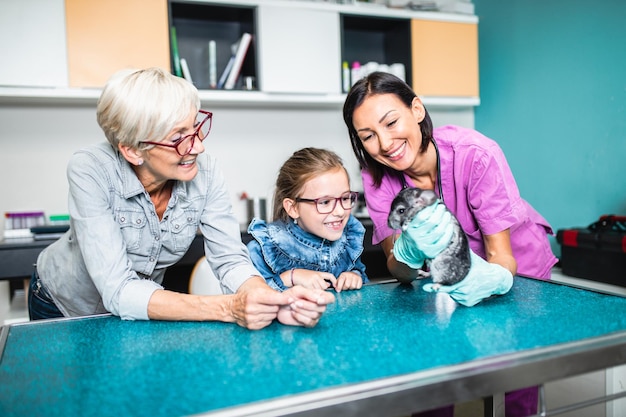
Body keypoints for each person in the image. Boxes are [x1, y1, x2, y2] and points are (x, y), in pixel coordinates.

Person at [28, 67, 335, 329]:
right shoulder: (90, 169)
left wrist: (267, 298)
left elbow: (229, 257)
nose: (198, 147)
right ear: (132, 150)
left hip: (140, 304)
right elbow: (118, 289)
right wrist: (230, 307)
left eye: (196, 128)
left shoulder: (205, 169)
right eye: (178, 138)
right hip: (64, 306)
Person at [342, 72, 558, 416]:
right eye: (368, 135)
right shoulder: (377, 175)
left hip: (517, 267)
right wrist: (408, 250)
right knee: (433, 375)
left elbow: (501, 256)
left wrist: (493, 279)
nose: (384, 143)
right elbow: (399, 270)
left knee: (513, 379)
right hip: (444, 278)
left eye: (391, 122)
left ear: (416, 109)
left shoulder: (476, 154)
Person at [247, 147, 368, 293]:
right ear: (293, 208)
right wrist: (290, 278)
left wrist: (354, 276)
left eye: (345, 198)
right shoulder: (264, 248)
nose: (340, 211)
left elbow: (360, 275)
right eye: (325, 202)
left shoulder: (348, 237)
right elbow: (248, 300)